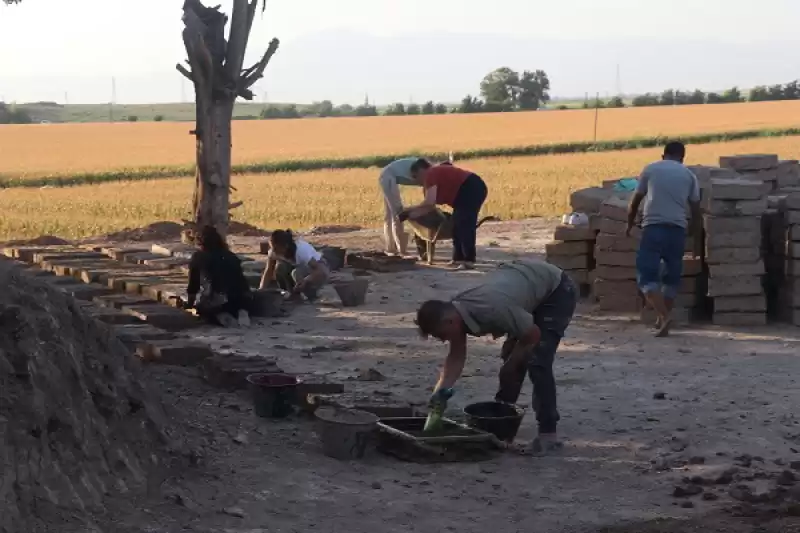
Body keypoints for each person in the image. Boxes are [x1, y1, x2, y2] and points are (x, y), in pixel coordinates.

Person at [415, 258, 577, 454]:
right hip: (521, 288)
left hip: (556, 290)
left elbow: (533, 334)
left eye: (440, 335)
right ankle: (503, 421)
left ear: (450, 322)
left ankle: (548, 435)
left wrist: (513, 362)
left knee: (536, 361)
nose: (442, 340)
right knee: (511, 358)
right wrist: (440, 392)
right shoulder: (457, 313)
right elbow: (456, 356)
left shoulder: (492, 309)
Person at [626, 141, 701, 337]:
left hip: (654, 228)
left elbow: (636, 200)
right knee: (671, 278)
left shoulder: (651, 169)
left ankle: (664, 316)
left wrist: (629, 223)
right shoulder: (689, 175)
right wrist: (694, 235)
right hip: (677, 231)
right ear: (682, 157)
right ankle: (662, 321)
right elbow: (696, 210)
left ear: (663, 155)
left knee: (646, 276)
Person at [402, 160, 487, 269]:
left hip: (471, 187)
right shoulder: (432, 176)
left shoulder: (430, 174)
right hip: (466, 191)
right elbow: (429, 207)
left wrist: (409, 209)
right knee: (456, 223)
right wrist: (411, 215)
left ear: (421, 170)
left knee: (464, 224)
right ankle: (458, 258)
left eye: (415, 176)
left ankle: (468, 260)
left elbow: (429, 203)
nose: (416, 181)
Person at [186, 226, 253, 328]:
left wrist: (190, 305)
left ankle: (221, 316)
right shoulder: (231, 255)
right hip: (243, 299)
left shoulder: (198, 257)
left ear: (200, 242)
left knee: (203, 308)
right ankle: (242, 312)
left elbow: (193, 287)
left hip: (220, 301)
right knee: (238, 299)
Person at [259, 229, 329, 302]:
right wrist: (261, 290)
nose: (274, 251)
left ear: (286, 246)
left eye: (276, 248)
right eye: (272, 248)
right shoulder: (274, 253)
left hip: (319, 269)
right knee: (280, 268)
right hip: (299, 269)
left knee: (296, 273)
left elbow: (320, 270)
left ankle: (311, 294)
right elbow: (268, 271)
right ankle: (292, 294)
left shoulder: (301, 250)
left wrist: (305, 280)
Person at [379, 157, 427, 256]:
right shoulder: (427, 172)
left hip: (387, 176)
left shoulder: (426, 168)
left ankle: (391, 248)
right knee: (398, 213)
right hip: (388, 176)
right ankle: (401, 250)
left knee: (390, 215)